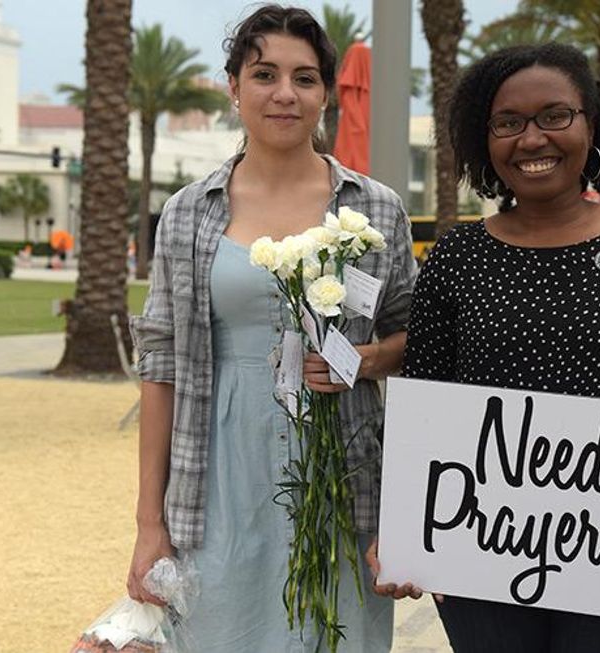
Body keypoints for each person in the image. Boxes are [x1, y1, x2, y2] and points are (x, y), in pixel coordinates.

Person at [385, 43, 600, 652]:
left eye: (555, 116)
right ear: (485, 138)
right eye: (508, 123)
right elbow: (422, 398)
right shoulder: (457, 258)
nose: (532, 139)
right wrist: (401, 531)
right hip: (481, 548)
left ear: (592, 124)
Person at [127, 6, 416, 651]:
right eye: (264, 74)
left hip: (344, 477)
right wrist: (150, 521)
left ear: (326, 95)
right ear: (234, 87)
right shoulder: (186, 212)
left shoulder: (375, 207)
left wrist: (362, 361)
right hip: (218, 474)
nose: (285, 94)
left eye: (305, 78)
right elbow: (160, 364)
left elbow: (415, 343)